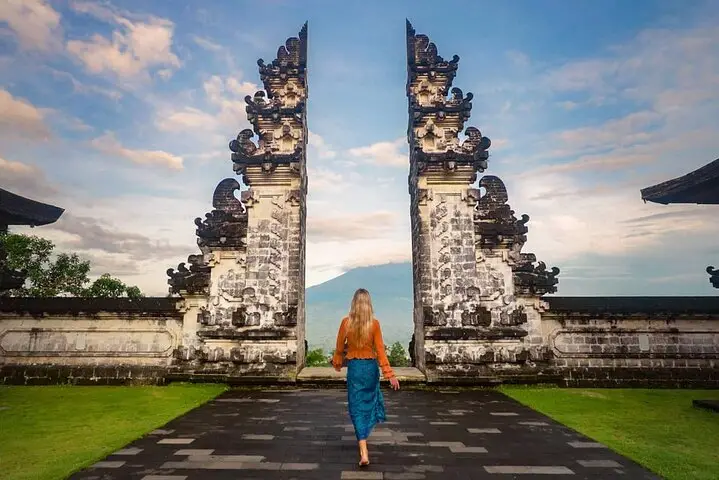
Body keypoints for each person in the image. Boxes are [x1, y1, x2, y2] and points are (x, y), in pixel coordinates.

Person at [332, 288, 400, 467]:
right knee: (369, 402)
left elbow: (339, 348)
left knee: (356, 406)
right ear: (369, 304)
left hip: (355, 369)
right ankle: (364, 438)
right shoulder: (374, 324)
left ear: (354, 303)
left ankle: (363, 450)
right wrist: (390, 375)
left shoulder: (346, 323)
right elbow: (381, 352)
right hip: (371, 369)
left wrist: (338, 363)